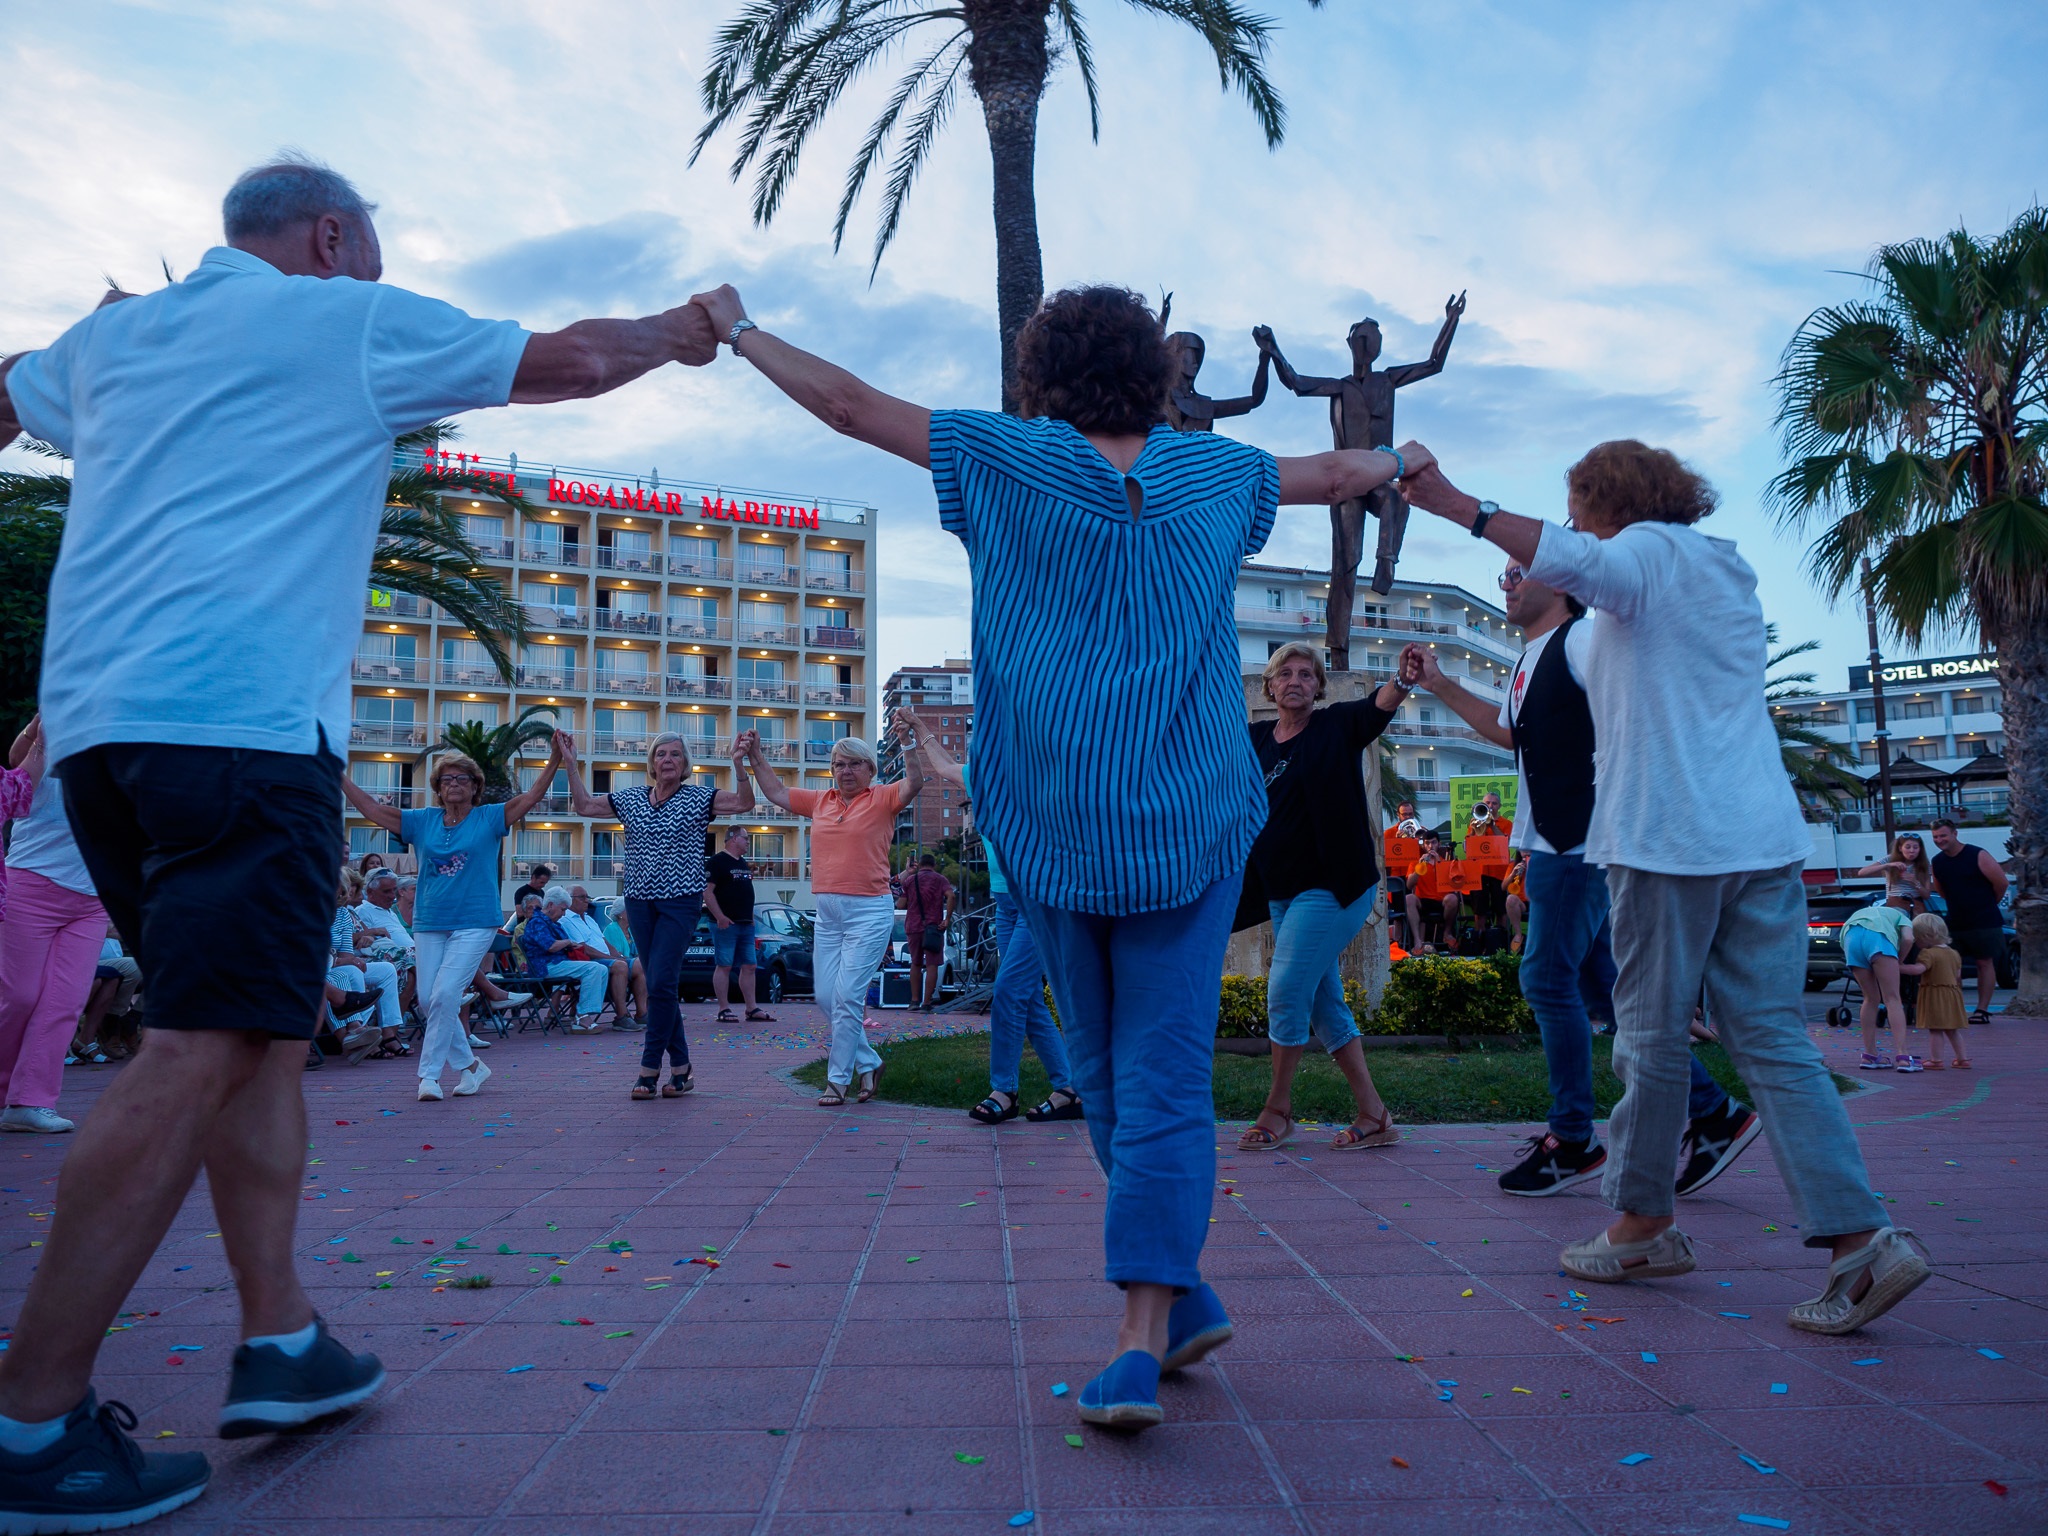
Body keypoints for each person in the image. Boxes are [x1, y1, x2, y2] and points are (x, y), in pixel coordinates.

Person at [0, 153, 724, 1520]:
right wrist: (683, 330)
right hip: (241, 729)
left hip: (96, 738)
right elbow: (570, 361)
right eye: (374, 255)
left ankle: (282, 1338)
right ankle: (31, 1421)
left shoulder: (112, 340)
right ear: (330, 238)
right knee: (199, 1042)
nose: (381, 278)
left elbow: (4, 394)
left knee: (258, 1035)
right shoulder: (335, 317)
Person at [686, 276, 1431, 1428]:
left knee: (1104, 1073)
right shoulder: (1218, 472)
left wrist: (738, 331)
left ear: (1040, 375)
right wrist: (1402, 461)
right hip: (1186, 822)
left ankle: (1139, 1337)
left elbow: (847, 406)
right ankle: (1171, 1299)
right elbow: (1337, 474)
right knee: (1155, 1075)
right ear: (1152, 373)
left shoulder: (996, 457)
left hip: (1051, 821)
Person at [1400, 438, 1928, 1335]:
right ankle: (1859, 1240)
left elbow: (1588, 563)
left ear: (1608, 506)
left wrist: (1455, 502)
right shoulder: (1717, 573)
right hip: (1760, 839)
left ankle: (1642, 1226)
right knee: (1772, 1041)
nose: (1569, 528)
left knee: (1647, 1038)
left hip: (1670, 842)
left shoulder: (1646, 554)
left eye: (1577, 510)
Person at [1414, 559, 1757, 1198]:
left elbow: (1651, 698)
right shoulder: (1531, 657)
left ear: (1562, 582)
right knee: (1604, 989)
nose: (1507, 584)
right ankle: (1713, 1112)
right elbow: (1507, 734)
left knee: (1546, 979)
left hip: (1578, 843)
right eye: (1502, 576)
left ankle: (1573, 1138)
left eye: (1518, 571)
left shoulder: (1583, 638)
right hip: (1557, 842)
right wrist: (1438, 683)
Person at [1239, 642, 1418, 1154]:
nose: (1295, 681)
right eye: (1285, 674)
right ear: (1270, 686)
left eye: (1305, 674)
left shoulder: (1335, 726)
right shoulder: (1255, 739)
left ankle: (1278, 1109)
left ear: (1318, 687)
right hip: (1282, 894)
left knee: (1284, 990)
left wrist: (1403, 680)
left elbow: (1376, 708)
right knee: (1324, 1004)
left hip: (1334, 888)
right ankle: (1374, 1114)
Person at [344, 739, 564, 1095]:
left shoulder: (488, 817)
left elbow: (530, 797)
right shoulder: (422, 821)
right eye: (446, 779)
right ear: (438, 788)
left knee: (446, 992)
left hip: (476, 920)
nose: (454, 784)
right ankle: (471, 1067)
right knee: (429, 999)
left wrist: (555, 759)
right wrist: (338, 775)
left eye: (462, 778)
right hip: (430, 921)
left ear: (475, 786)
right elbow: (370, 808)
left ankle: (428, 1077)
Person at [901, 712, 1080, 1125]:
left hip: (1040, 900)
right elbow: (944, 766)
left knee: (1010, 990)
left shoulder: (1041, 780)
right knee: (1027, 998)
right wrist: (918, 728)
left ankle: (1005, 1090)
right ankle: (1070, 1089)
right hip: (1005, 901)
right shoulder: (983, 778)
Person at [557, 729, 757, 1097]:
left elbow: (745, 803)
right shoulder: (631, 798)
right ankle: (681, 1067)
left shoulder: (699, 798)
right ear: (651, 762)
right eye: (661, 754)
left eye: (675, 754)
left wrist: (738, 763)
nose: (667, 760)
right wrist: (571, 764)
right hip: (638, 901)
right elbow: (584, 807)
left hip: (680, 900)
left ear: (685, 764)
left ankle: (649, 1067)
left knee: (660, 981)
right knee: (659, 982)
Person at [746, 731, 923, 1105]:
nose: (846, 771)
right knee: (827, 998)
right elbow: (775, 791)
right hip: (827, 914)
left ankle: (838, 1080)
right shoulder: (820, 801)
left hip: (868, 912)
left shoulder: (882, 798)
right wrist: (756, 755)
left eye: (855, 763)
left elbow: (914, 783)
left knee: (847, 997)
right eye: (839, 764)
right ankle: (869, 1062)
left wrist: (907, 743)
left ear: (870, 769)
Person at [0, 719, 101, 1133]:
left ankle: (29, 1102)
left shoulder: (125, 744)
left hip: (92, 898)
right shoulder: (52, 733)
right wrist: (38, 728)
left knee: (65, 1002)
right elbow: (16, 763)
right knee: (18, 996)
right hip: (31, 883)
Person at [1928, 818, 2007, 1025]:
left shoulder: (1977, 854)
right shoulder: (1937, 862)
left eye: (1943, 835)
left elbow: (2001, 883)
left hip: (1985, 921)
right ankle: (1956, 1009)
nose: (1939, 840)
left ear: (1955, 833)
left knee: (1984, 963)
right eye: (1935, 837)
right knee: (1952, 966)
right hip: (1955, 922)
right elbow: (1941, 891)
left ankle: (1982, 1010)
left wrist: (1987, 903)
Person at [522, 887, 620, 1032]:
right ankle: (582, 1017)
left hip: (557, 963)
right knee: (594, 968)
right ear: (551, 905)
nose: (563, 914)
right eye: (562, 910)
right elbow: (551, 946)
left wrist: (570, 945)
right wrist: (568, 942)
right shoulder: (537, 922)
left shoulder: (550, 922)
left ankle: (585, 1014)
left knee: (601, 968)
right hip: (545, 966)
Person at [327, 871, 402, 1061]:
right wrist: (344, 961)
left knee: (386, 970)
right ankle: (356, 1034)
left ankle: (388, 1033)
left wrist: (344, 960)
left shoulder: (343, 914)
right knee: (349, 973)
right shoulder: (313, 911)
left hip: (334, 963)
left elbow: (346, 953)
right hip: (318, 966)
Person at [1841, 899, 1922, 1071]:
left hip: (1851, 937)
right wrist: (1899, 960)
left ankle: (1870, 1055)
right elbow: (1908, 939)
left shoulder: (1869, 911)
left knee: (1870, 998)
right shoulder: (1903, 917)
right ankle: (1903, 1057)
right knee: (1892, 998)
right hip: (1878, 939)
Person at [707, 826, 774, 1024]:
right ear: (734, 838)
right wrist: (720, 916)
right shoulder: (717, 862)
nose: (748, 843)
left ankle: (751, 1008)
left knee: (750, 965)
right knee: (725, 965)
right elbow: (707, 892)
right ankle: (723, 1008)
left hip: (745, 924)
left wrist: (750, 917)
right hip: (726, 924)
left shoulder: (743, 863)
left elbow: (744, 891)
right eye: (746, 839)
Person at [564, 884, 647, 1029]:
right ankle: (621, 1016)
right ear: (569, 900)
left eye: (587, 897)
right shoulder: (566, 920)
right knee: (620, 966)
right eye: (582, 897)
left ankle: (642, 1014)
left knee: (640, 964)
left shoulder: (589, 919)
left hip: (606, 959)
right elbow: (583, 949)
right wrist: (613, 959)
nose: (587, 900)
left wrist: (620, 956)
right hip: (589, 961)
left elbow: (605, 943)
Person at [1908, 913, 1968, 1068]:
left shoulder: (1928, 953)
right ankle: (1962, 1059)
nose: (1916, 942)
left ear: (1926, 936)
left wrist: (1898, 967)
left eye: (1917, 938)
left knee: (1935, 1029)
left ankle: (1936, 1060)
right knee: (1952, 1029)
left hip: (1935, 995)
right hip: (1952, 994)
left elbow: (1918, 970)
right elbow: (1957, 975)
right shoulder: (1954, 953)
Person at [900, 853, 956, 1011]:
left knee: (915, 963)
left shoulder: (910, 880)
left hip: (913, 926)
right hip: (933, 928)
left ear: (920, 864)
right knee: (932, 964)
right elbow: (951, 896)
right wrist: (947, 919)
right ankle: (926, 1003)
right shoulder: (940, 879)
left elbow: (900, 904)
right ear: (934, 865)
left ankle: (913, 1001)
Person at [1404, 830, 1461, 950]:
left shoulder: (1446, 863)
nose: (1430, 846)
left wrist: (1439, 863)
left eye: (1433, 842)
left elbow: (1453, 885)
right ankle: (1417, 940)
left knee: (1452, 898)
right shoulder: (1415, 863)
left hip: (1442, 901)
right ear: (1423, 845)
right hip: (1423, 901)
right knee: (1409, 898)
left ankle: (1447, 933)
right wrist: (1419, 867)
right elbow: (1409, 885)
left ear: (1439, 844)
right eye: (1427, 843)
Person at [1857, 833, 1931, 916]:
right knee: (1899, 916)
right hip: (1895, 902)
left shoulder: (1924, 864)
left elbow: (1927, 895)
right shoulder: (1890, 859)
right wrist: (1887, 865)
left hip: (1915, 904)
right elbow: (1862, 872)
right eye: (1907, 847)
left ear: (1920, 849)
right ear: (1900, 848)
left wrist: (1915, 882)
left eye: (1915, 847)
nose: (1911, 850)